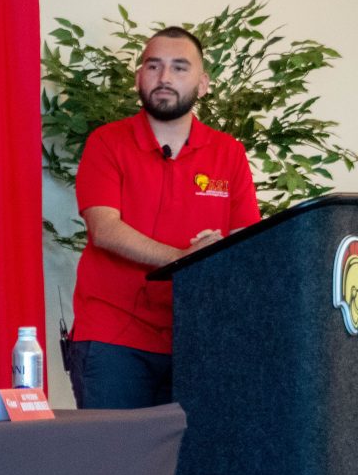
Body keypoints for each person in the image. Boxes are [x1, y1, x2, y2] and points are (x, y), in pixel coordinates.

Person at [68, 26, 261, 409]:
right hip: (113, 338)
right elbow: (105, 229)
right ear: (140, 77)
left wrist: (223, 251)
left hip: (199, 338)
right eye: (153, 66)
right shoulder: (107, 142)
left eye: (179, 67)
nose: (164, 78)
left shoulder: (229, 153)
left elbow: (249, 244)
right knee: (116, 464)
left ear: (203, 84)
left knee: (195, 466)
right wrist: (189, 258)